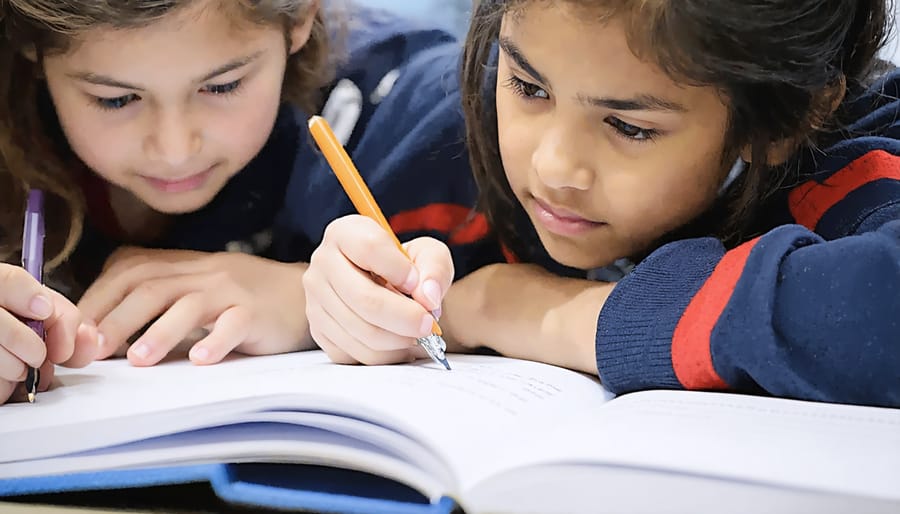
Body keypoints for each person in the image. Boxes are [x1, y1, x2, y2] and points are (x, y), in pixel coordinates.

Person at [302, 0, 900, 408]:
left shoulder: (862, 160)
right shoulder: (420, 137)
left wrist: (523, 308)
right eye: (529, 87)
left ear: (785, 122)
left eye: (629, 126)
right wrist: (325, 297)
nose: (552, 168)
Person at [0, 0, 458, 404]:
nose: (176, 150)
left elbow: (494, 297)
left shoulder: (403, 101)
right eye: (116, 100)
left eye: (222, 87)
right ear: (30, 46)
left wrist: (308, 298)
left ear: (300, 16)